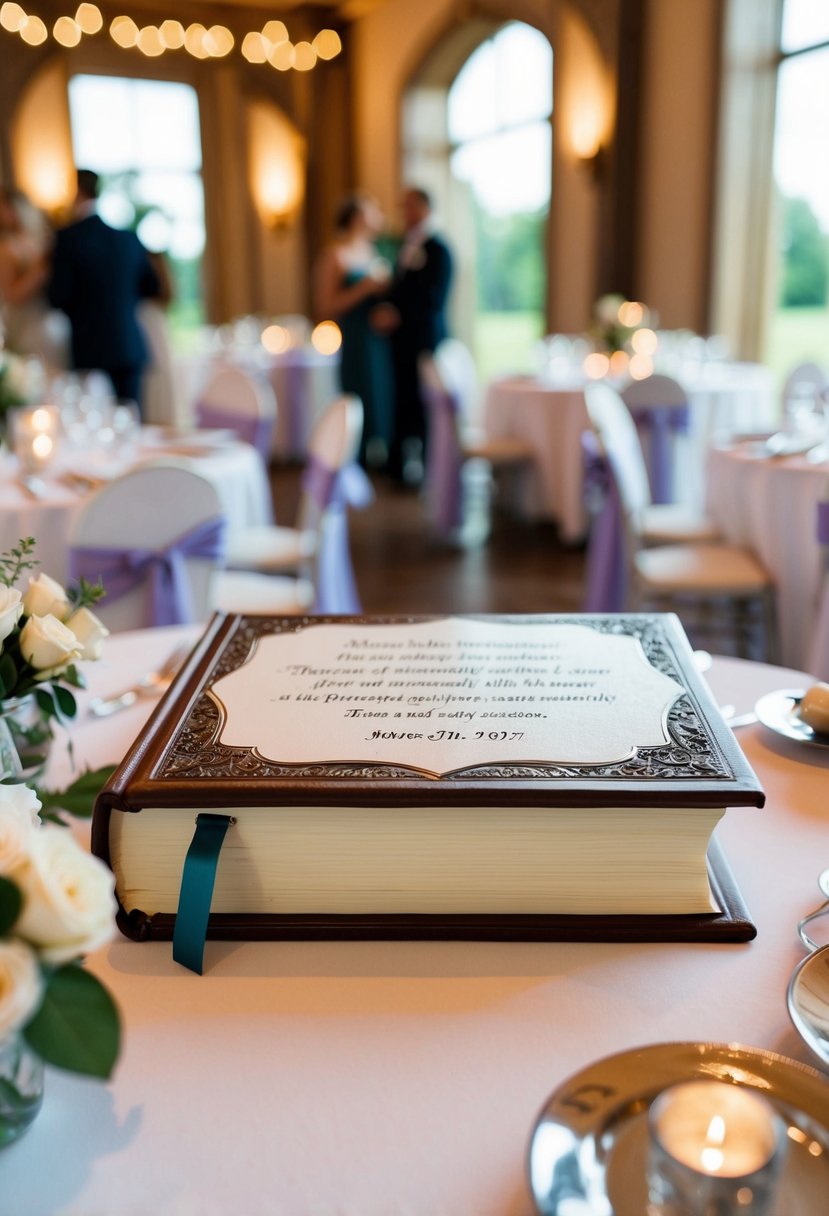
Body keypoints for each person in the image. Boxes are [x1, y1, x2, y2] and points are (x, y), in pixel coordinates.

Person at [48, 168, 161, 410]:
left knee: (91, 423)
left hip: (89, 349)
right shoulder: (128, 239)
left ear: (76, 192)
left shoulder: (67, 240)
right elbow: (152, 287)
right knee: (131, 421)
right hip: (127, 343)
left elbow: (58, 296)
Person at [313, 193, 393, 468]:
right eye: (372, 211)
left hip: (378, 340)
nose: (378, 217)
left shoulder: (373, 251)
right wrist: (364, 288)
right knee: (357, 395)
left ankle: (380, 455)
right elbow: (325, 306)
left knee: (381, 396)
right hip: (355, 340)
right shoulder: (334, 254)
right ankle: (353, 461)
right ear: (358, 217)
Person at [380, 187, 453, 485]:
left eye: (410, 207)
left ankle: (428, 466)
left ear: (425, 208)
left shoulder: (439, 249)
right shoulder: (404, 245)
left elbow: (434, 297)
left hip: (425, 339)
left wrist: (400, 314)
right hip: (400, 342)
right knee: (401, 399)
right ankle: (399, 464)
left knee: (424, 403)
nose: (405, 213)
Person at [0, 186, 68, 370]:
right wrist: (39, 272)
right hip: (28, 323)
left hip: (54, 318)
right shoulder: (7, 248)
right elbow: (11, 295)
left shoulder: (45, 238)